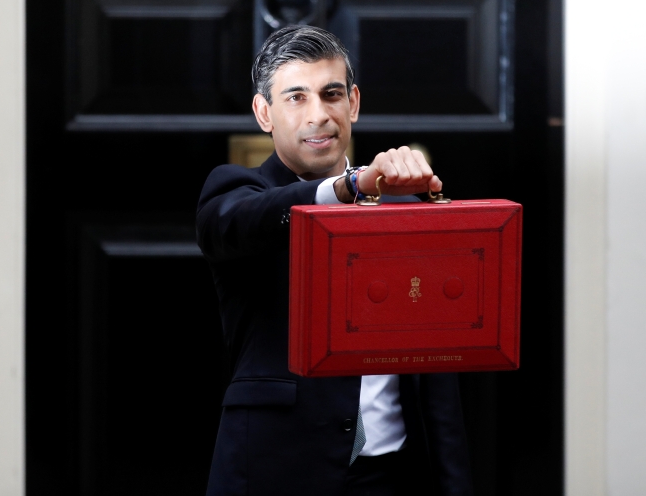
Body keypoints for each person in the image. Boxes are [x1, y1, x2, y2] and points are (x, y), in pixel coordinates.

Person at [196, 25, 474, 496]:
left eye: (331, 94)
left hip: (394, 474)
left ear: (354, 103)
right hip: (273, 470)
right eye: (296, 98)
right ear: (264, 112)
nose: (318, 115)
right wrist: (348, 188)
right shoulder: (235, 192)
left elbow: (436, 379)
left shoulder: (405, 210)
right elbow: (241, 223)